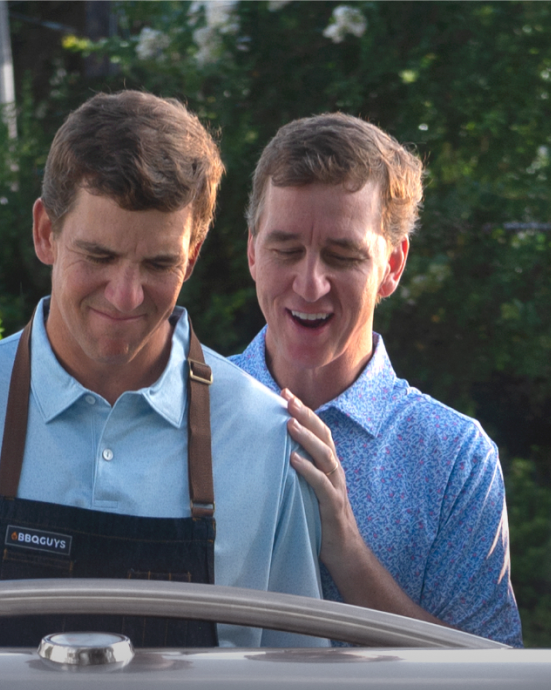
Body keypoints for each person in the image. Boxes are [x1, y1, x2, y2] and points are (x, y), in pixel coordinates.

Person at [0, 89, 323, 651]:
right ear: (45, 232)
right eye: (98, 256)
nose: (126, 295)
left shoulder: (263, 437)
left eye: (158, 263)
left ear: (192, 255)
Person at [232, 112, 522, 646]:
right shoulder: (185, 409)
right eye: (286, 250)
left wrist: (349, 552)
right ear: (252, 251)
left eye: (342, 255)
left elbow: (493, 682)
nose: (310, 283)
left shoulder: (454, 457)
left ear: (393, 265)